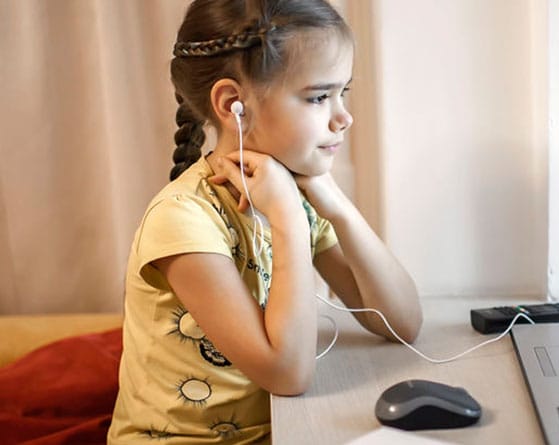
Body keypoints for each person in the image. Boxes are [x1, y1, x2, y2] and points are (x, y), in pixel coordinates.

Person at [107, 0, 422, 442]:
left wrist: (334, 203)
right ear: (233, 104)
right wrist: (289, 218)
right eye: (318, 97)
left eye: (342, 92)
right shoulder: (182, 220)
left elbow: (400, 323)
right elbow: (287, 373)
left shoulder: (297, 195)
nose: (344, 117)